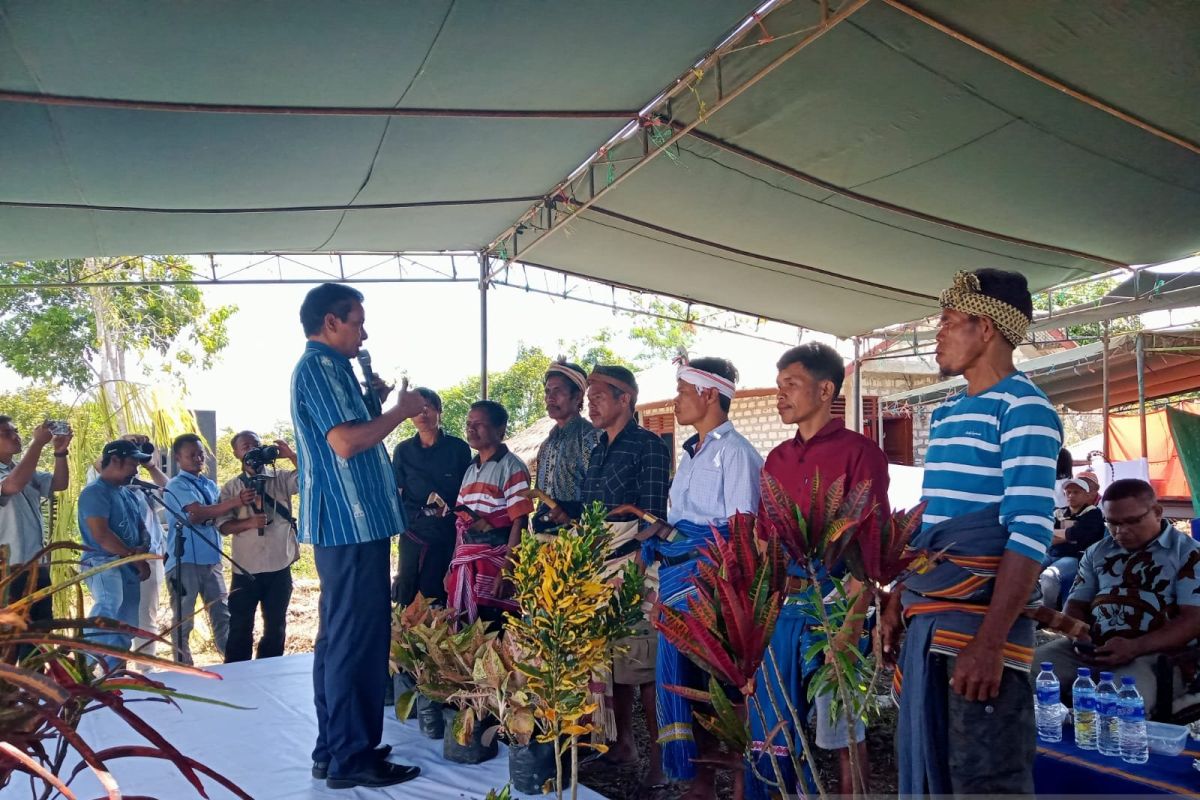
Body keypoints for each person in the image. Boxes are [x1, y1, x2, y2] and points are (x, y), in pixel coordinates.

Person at [883, 269, 1063, 797]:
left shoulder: (1025, 409)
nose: (937, 335)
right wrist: (898, 596)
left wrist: (990, 642)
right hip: (930, 620)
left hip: (980, 636)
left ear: (985, 328)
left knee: (984, 779)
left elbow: (1029, 532)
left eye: (947, 322)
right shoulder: (949, 413)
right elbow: (934, 524)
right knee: (933, 762)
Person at [291, 282, 424, 789]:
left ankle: (336, 748)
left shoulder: (336, 371)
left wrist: (376, 401)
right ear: (331, 322)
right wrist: (400, 411)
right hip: (349, 523)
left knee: (342, 638)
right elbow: (346, 443)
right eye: (357, 322)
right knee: (356, 639)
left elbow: (351, 431)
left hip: (354, 524)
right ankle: (351, 757)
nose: (363, 332)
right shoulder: (319, 368)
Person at [750, 343, 889, 799]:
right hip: (780, 607)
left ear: (824, 388)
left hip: (836, 604)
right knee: (771, 720)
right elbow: (764, 542)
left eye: (790, 384)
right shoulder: (776, 459)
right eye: (778, 386)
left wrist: (850, 628)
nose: (780, 395)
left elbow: (868, 548)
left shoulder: (861, 453)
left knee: (842, 730)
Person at [642, 356, 762, 799]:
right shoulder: (690, 453)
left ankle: (735, 784)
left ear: (709, 394)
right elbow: (683, 525)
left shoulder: (737, 453)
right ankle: (699, 783)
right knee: (687, 681)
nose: (675, 401)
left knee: (718, 685)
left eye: (681, 391)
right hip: (677, 582)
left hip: (712, 589)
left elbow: (742, 533)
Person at [1034, 479, 1200, 716]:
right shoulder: (1098, 551)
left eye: (1132, 521)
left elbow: (1193, 620)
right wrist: (1078, 633)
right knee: (1019, 676)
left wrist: (1135, 647)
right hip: (1092, 648)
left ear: (1157, 512)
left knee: (1117, 707)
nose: (1121, 531)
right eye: (1112, 523)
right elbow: (1076, 603)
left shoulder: (1188, 553)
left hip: (1155, 654)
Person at [581, 364, 671, 788]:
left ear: (625, 399)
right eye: (589, 396)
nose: (590, 402)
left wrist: (634, 569)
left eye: (599, 394)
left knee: (643, 664)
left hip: (636, 564)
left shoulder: (649, 446)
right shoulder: (597, 447)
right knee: (610, 662)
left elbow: (654, 517)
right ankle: (621, 745)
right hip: (598, 563)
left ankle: (660, 757)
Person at [446, 400, 533, 626]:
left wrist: (508, 569)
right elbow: (462, 525)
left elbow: (519, 522)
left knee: (496, 630)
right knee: (467, 635)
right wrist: (453, 565)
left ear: (500, 429)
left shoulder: (512, 468)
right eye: (468, 424)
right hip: (467, 565)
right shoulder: (469, 471)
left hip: (495, 566)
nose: (471, 429)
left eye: (479, 424)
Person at [216, 431, 300, 663]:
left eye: (256, 444)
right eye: (245, 446)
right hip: (246, 569)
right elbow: (223, 527)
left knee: (276, 626)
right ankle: (237, 675)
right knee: (240, 626)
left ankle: (270, 670)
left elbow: (310, 479)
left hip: (279, 564)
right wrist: (248, 523)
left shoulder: (280, 478)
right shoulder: (231, 487)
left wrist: (292, 455)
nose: (252, 449)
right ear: (236, 454)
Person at [163, 433, 245, 665]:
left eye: (201, 453)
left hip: (212, 559)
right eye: (192, 454)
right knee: (183, 618)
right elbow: (196, 513)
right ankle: (183, 666)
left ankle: (231, 662)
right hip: (185, 561)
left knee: (221, 613)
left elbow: (217, 514)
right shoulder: (176, 485)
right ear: (178, 458)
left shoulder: (208, 484)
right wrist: (233, 502)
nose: (198, 458)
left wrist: (227, 508)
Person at [391, 388, 471, 606]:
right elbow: (396, 493)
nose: (423, 414)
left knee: (438, 591)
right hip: (412, 533)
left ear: (439, 411)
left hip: (447, 533)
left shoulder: (459, 449)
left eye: (429, 408)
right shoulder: (403, 451)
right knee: (407, 591)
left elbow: (467, 493)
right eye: (417, 409)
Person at [78, 439, 153, 669]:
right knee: (109, 604)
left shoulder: (128, 493)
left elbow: (141, 528)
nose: (136, 470)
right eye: (133, 463)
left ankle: (115, 671)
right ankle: (83, 664)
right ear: (116, 460)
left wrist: (142, 550)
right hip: (103, 562)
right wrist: (134, 556)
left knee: (126, 621)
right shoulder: (94, 492)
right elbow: (101, 535)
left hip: (129, 564)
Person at [0, 417, 70, 632]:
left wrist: (60, 452)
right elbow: (13, 485)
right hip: (8, 570)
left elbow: (59, 483)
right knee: (11, 641)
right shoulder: (18, 473)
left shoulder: (21, 469)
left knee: (39, 637)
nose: (15, 436)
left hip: (36, 564)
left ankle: (35, 668)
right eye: (6, 433)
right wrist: (37, 444)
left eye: (16, 430)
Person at [531, 361, 598, 533]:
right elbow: (540, 494)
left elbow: (598, 497)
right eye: (547, 391)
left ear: (577, 396)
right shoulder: (546, 445)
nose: (550, 398)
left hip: (579, 539)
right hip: (544, 535)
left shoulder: (591, 437)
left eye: (557, 391)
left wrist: (572, 518)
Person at [1039, 472, 1104, 610]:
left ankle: (1046, 615)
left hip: (1075, 558)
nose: (1070, 495)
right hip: (1052, 554)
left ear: (1087, 495)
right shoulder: (1059, 512)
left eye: (1076, 492)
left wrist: (1061, 535)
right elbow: (1045, 534)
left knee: (1049, 576)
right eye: (1068, 492)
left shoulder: (1093, 513)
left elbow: (1077, 534)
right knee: (1027, 567)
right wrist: (1067, 536)